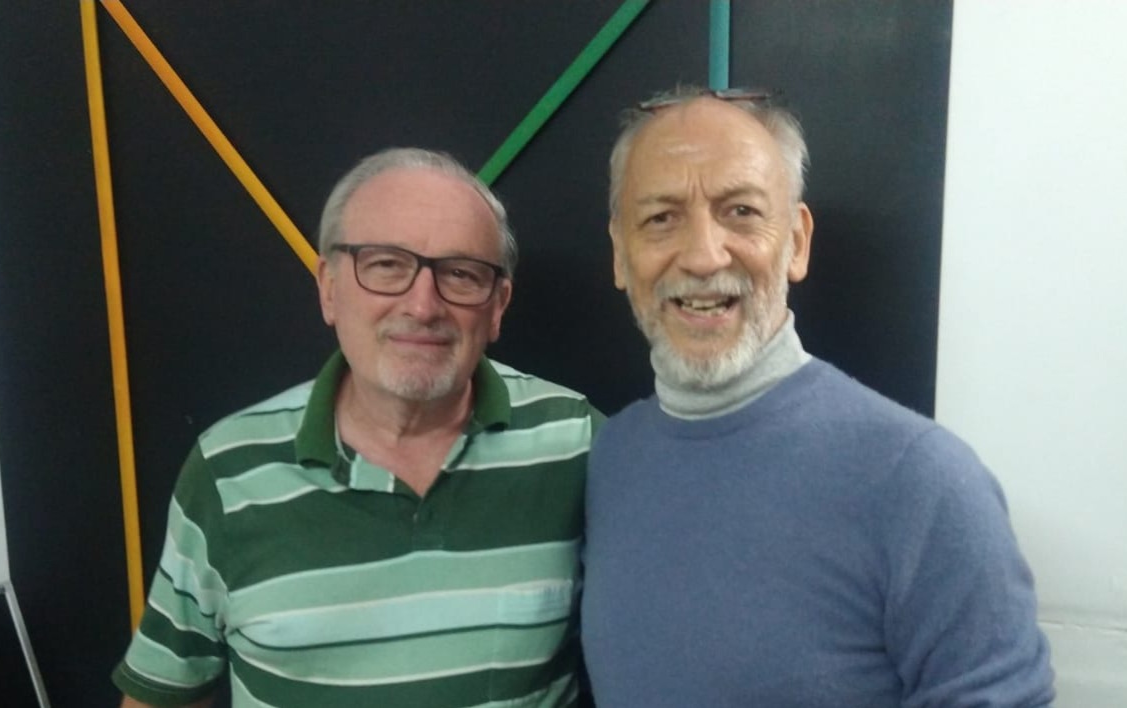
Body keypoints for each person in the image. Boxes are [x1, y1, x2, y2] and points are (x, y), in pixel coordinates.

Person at [580, 86, 1054, 707]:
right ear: (621, 254)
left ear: (797, 243)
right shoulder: (612, 457)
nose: (702, 255)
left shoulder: (922, 481)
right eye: (661, 218)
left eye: (741, 211)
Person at [113, 148, 602, 707]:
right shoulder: (228, 471)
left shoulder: (578, 442)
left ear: (497, 307)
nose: (422, 306)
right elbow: (163, 696)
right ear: (328, 287)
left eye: (461, 274)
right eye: (386, 265)